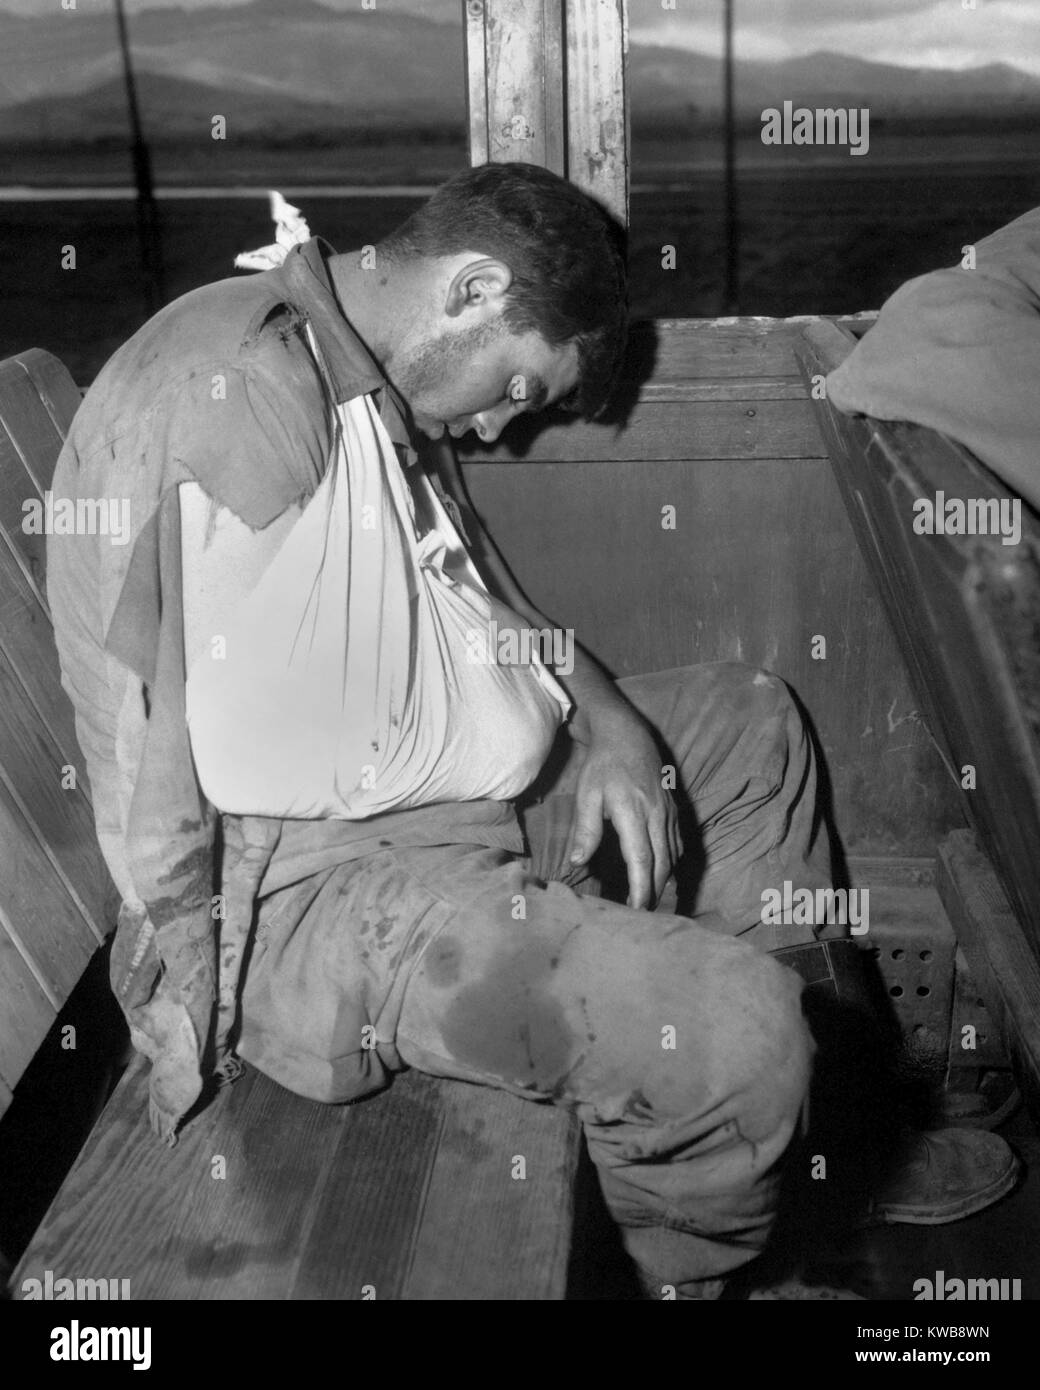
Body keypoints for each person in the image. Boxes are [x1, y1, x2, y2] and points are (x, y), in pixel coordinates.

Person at [47, 162, 1018, 1300]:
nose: (503, 425)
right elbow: (191, 758)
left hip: (441, 810)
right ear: (470, 288)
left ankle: (819, 1156)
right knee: (740, 1040)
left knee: (749, 725)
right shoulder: (239, 392)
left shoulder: (358, 373)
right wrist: (179, 1013)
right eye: (515, 383)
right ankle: (708, 1260)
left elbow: (489, 606)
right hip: (307, 898)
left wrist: (604, 721)